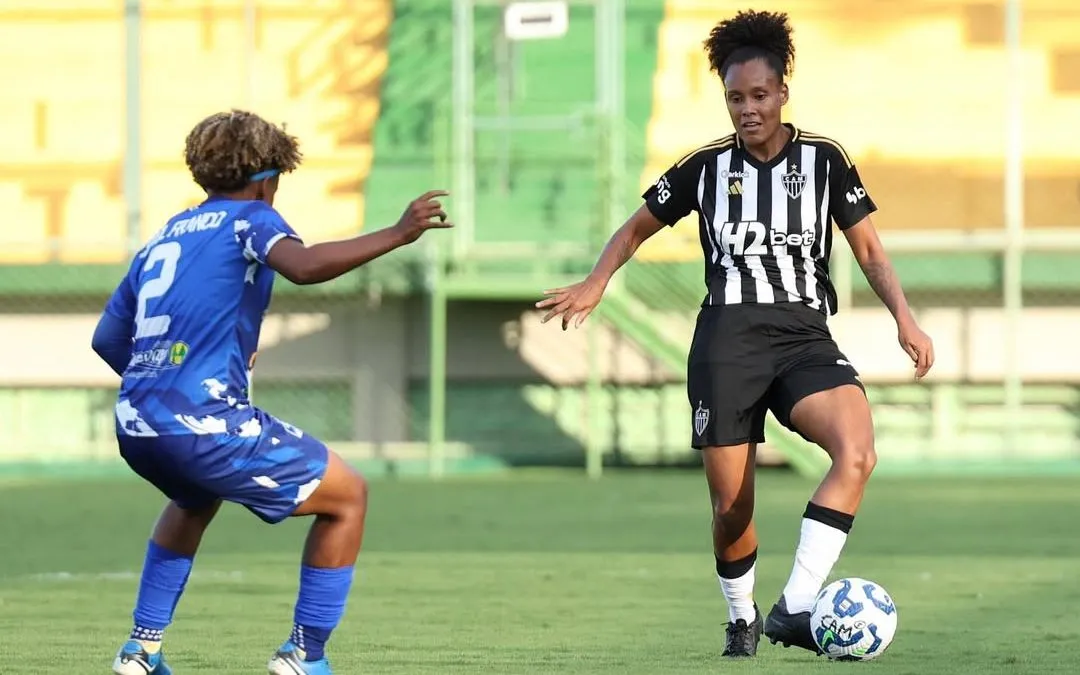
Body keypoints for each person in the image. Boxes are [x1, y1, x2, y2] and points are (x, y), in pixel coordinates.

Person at [536, 9, 934, 659]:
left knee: (857, 452)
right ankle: (742, 616)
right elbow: (634, 228)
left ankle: (794, 607)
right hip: (727, 342)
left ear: (783, 92)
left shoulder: (826, 160)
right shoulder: (704, 168)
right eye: (735, 98)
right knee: (732, 506)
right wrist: (596, 281)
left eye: (759, 95)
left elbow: (868, 249)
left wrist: (904, 317)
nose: (747, 109)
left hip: (804, 336)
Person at [90, 109, 452, 675]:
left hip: (137, 424)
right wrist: (398, 233)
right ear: (266, 178)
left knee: (193, 500)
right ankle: (305, 654)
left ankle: (141, 648)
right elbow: (303, 267)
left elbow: (107, 338)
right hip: (204, 425)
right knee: (348, 496)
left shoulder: (167, 235)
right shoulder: (252, 218)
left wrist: (159, 385)